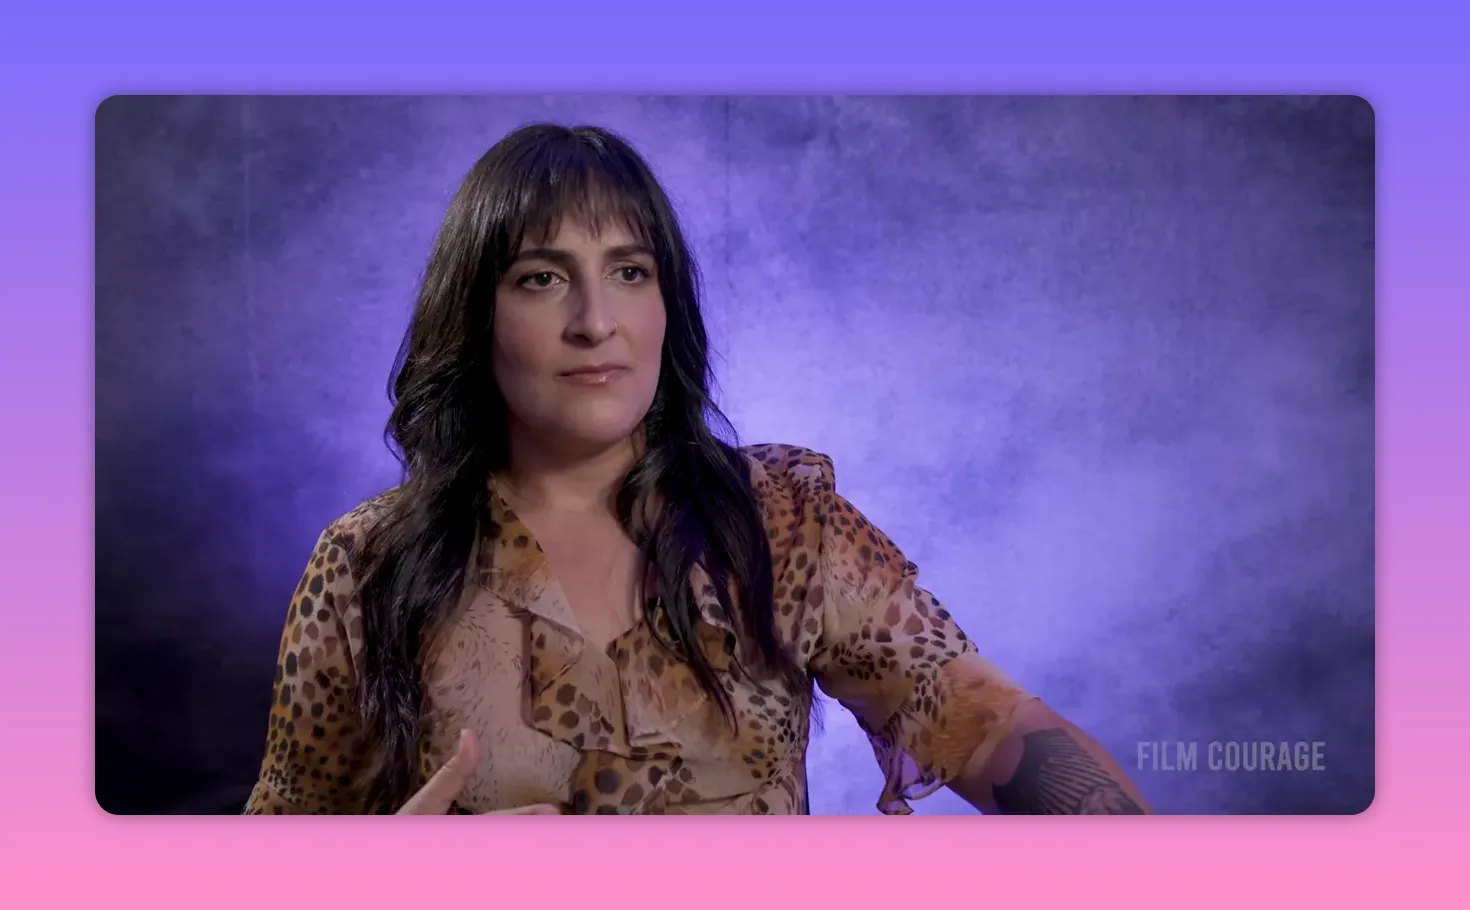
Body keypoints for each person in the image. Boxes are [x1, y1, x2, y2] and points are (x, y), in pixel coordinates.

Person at [243, 123, 1151, 816]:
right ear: (472, 315)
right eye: (541, 278)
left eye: (631, 271)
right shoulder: (369, 566)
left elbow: (987, 729)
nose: (596, 321)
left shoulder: (784, 521)